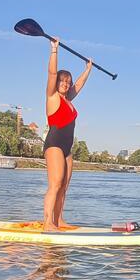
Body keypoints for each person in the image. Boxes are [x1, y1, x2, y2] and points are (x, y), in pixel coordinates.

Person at [42, 37, 92, 231]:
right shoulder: (52, 96)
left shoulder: (69, 99)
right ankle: (48, 223)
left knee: (64, 187)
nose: (65, 83)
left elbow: (78, 86)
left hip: (67, 148)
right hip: (54, 144)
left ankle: (59, 220)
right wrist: (54, 50)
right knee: (55, 184)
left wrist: (88, 69)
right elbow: (51, 72)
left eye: (67, 82)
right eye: (62, 81)